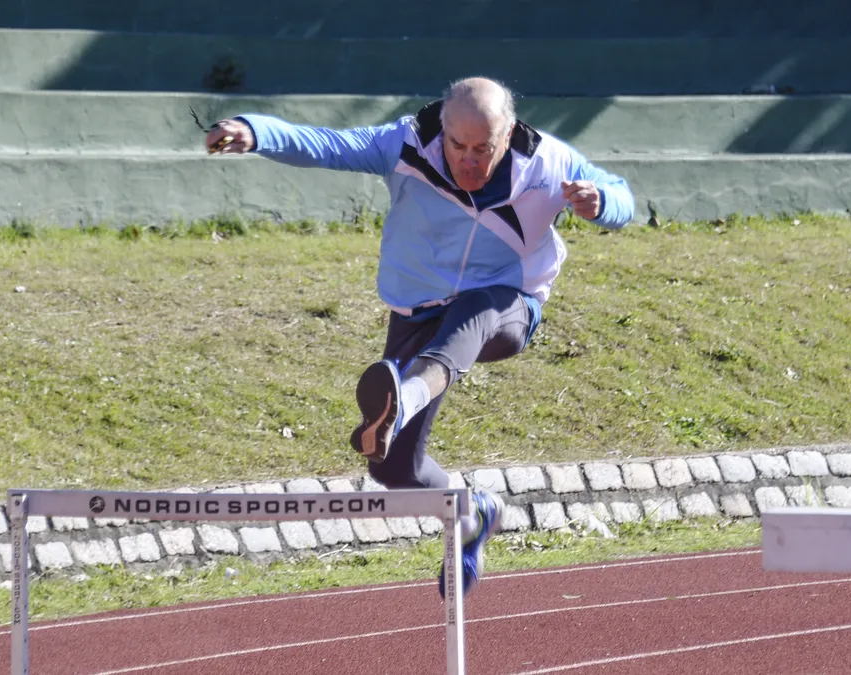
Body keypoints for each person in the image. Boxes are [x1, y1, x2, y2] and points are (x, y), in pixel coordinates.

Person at [205, 76, 635, 597]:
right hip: (418, 313)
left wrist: (599, 203)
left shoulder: (548, 162)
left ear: (509, 135)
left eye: (485, 149)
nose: (471, 162)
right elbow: (325, 144)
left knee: (475, 307)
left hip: (506, 306)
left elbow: (622, 196)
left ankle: (404, 397)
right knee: (395, 471)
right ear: (442, 132)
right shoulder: (405, 143)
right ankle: (472, 509)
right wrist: (254, 131)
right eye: (459, 147)